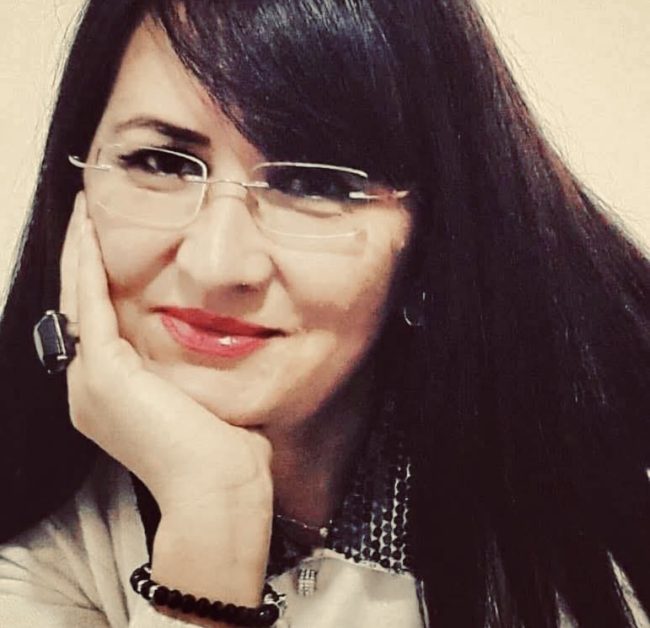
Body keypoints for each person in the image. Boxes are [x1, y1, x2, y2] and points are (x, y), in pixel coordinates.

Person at [0, 0, 648, 626]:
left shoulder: (598, 503)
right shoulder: (40, 541)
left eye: (315, 185)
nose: (217, 265)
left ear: (430, 234)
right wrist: (212, 515)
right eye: (161, 163)